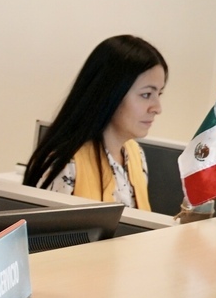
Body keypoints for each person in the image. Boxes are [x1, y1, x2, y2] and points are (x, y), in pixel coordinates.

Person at [24, 35, 166, 207]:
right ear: (111, 92)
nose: (157, 108)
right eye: (146, 95)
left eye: (159, 94)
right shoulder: (67, 163)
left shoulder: (135, 154)